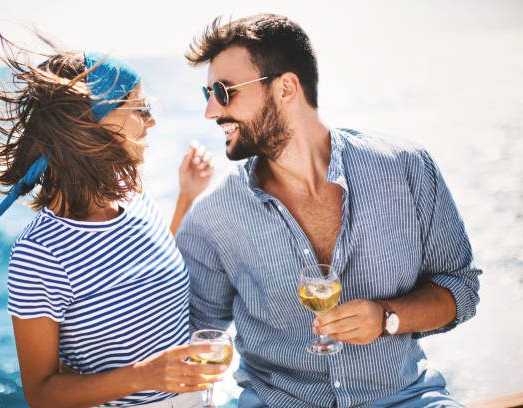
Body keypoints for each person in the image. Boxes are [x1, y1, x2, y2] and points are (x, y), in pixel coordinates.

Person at [176, 14, 482, 408]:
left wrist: (388, 317)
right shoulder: (214, 214)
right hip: (274, 402)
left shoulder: (406, 168)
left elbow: (461, 289)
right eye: (208, 96)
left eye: (223, 91)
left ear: (286, 88)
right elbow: (190, 328)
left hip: (402, 398)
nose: (211, 111)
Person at [0, 20, 225, 408]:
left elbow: (141, 273)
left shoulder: (136, 199)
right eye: (141, 109)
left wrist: (187, 197)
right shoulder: (39, 254)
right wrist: (147, 375)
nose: (152, 121)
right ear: (94, 124)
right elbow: (41, 393)